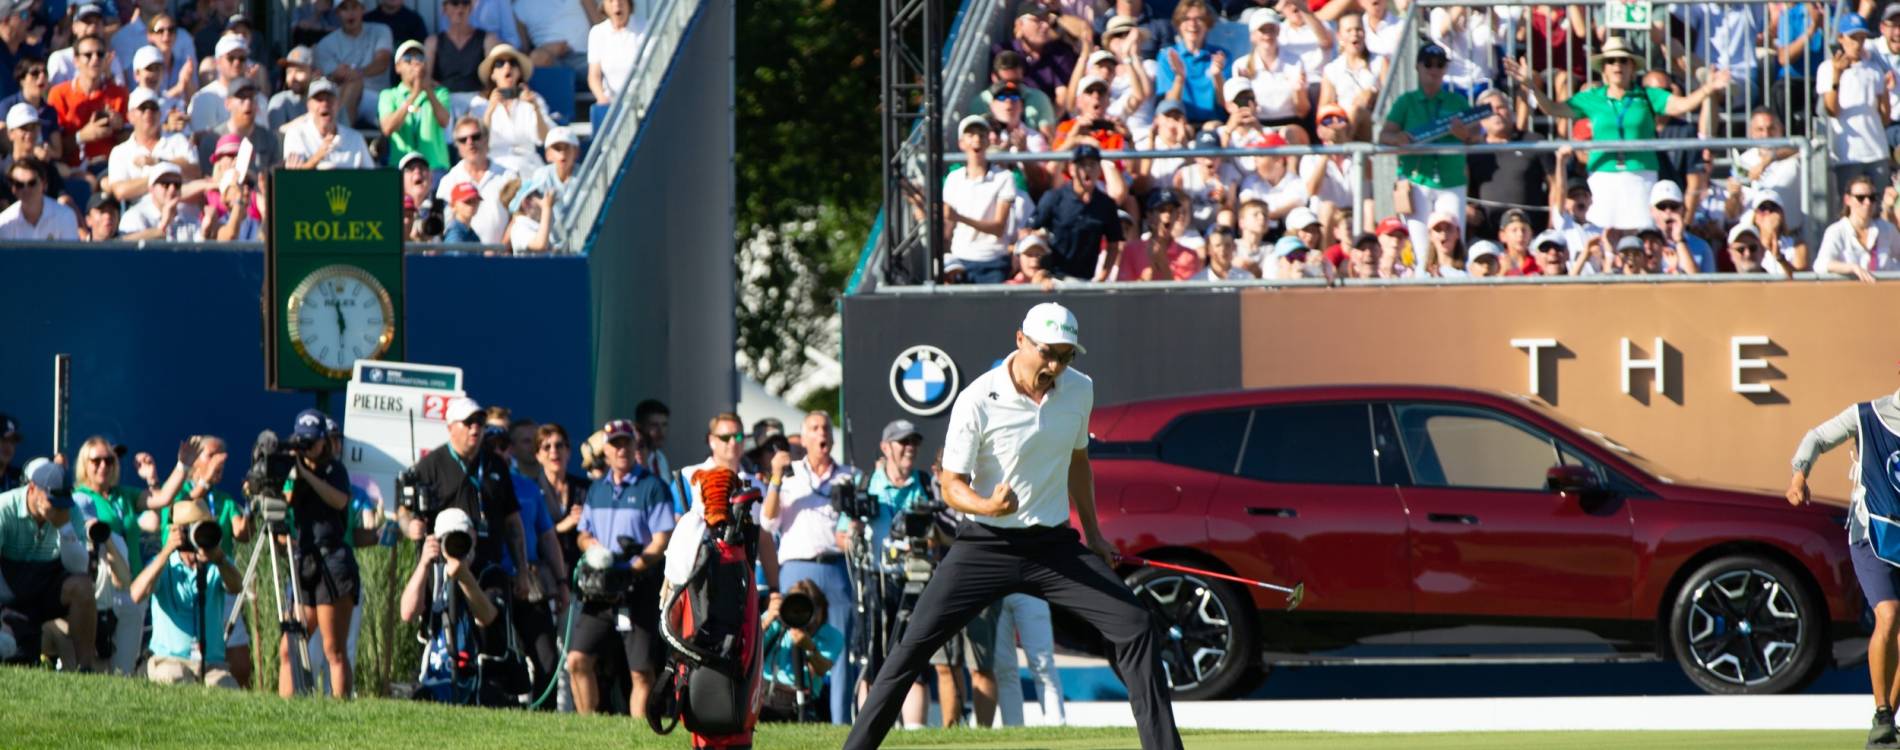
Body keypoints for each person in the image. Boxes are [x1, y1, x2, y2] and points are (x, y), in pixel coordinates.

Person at [843, 303, 1181, 750]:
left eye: (1066, 356)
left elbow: (1078, 462)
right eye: (1048, 353)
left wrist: (1094, 534)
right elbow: (951, 484)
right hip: (985, 545)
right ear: (1020, 340)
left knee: (1135, 623)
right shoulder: (977, 398)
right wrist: (987, 505)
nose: (1055, 366)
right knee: (912, 647)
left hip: (1054, 546)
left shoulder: (1080, 389)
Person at [1504, 35, 1730, 236]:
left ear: (1632, 66)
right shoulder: (1592, 97)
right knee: (1601, 236)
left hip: (1641, 175)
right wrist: (1532, 86)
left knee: (1643, 234)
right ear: (1603, 68)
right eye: (1611, 60)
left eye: (1623, 60)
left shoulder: (1648, 95)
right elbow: (1553, 108)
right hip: (1603, 176)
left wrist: (1708, 89)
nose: (1617, 65)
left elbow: (1682, 105)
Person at [1787, 381, 1900, 749]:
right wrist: (1800, 475)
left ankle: (1886, 720)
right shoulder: (1868, 415)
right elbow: (1817, 437)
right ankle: (1882, 712)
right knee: (1889, 614)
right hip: (1872, 533)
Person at [568, 419, 675, 717]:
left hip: (637, 587)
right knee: (577, 660)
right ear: (606, 450)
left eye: (626, 443)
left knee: (640, 671)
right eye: (615, 444)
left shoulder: (653, 487)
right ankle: (587, 726)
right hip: (600, 588)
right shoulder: (597, 489)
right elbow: (582, 534)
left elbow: (662, 539)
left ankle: (638, 733)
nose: (621, 449)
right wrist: (592, 548)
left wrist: (633, 568)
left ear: (634, 446)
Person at [764, 410, 859, 723]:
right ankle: (792, 712)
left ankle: (841, 722)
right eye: (815, 428)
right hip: (796, 569)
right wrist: (776, 478)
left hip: (835, 567)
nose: (822, 433)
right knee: (790, 639)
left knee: (839, 646)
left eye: (826, 428)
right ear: (803, 439)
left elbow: (857, 522)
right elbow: (768, 520)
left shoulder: (850, 476)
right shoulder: (789, 476)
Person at [274, 410, 357, 699]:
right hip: (304, 560)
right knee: (289, 647)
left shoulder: (335, 470)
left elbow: (339, 500)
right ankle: (284, 707)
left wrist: (306, 473)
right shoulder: (293, 472)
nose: (308, 447)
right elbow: (283, 502)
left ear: (324, 441)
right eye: (303, 441)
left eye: (312, 441)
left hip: (332, 561)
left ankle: (340, 708)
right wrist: (282, 473)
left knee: (333, 648)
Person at [1380, 42, 1480, 258]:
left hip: (1451, 179)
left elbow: (1477, 134)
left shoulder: (1457, 101)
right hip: (1416, 180)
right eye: (1428, 64)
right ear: (1418, 67)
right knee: (1419, 247)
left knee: (1453, 245)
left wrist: (1464, 135)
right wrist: (1398, 138)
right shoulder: (1406, 102)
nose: (1434, 70)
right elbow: (1384, 135)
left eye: (1440, 65)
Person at [130, 498, 243, 687]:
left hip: (211, 665)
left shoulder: (216, 564)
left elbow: (237, 587)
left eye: (201, 528)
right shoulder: (165, 565)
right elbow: (136, 595)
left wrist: (219, 558)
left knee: (226, 686)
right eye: (189, 529)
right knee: (175, 676)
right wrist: (167, 550)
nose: (195, 536)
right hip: (168, 660)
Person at [0, 458, 98, 670]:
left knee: (83, 587)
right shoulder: (4, 508)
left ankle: (86, 669)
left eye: (62, 502)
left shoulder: (69, 512)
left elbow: (79, 569)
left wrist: (64, 528)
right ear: (32, 488)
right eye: (52, 500)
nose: (57, 508)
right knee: (16, 657)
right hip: (7, 595)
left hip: (46, 589)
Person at [1819, 12, 1894, 199]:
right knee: (1851, 205)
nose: (1858, 44)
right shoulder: (1827, 68)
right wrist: (1837, 75)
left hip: (1877, 150)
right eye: (1853, 38)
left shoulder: (1875, 69)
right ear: (1841, 38)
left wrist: (1885, 91)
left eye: (1862, 38)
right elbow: (1832, 110)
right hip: (1847, 154)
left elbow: (1885, 117)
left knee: (1879, 204)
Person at [1032, 145, 1123, 282]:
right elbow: (1029, 232)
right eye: (1082, 164)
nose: (1087, 169)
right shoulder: (1054, 198)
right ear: (1071, 169)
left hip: (1085, 281)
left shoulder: (1106, 204)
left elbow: (1114, 244)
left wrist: (1102, 277)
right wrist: (1040, 273)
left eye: (1092, 164)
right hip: (1054, 280)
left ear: (1099, 169)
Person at [945, 114, 1018, 284]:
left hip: (993, 262)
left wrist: (959, 217)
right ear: (961, 143)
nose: (976, 139)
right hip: (959, 260)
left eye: (981, 135)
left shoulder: (1005, 177)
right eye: (971, 135)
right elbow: (947, 227)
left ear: (987, 141)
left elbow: (998, 228)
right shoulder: (953, 178)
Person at [760, 579, 845, 721]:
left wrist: (810, 648)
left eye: (809, 608)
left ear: (823, 608)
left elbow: (822, 669)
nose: (801, 614)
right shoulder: (776, 620)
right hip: (765, 692)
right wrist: (767, 621)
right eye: (795, 608)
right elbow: (749, 648)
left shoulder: (831, 635)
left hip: (802, 698)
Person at [48, 33, 129, 170]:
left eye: (100, 54)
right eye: (88, 55)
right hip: (71, 170)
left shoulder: (119, 93)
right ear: (76, 61)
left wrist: (119, 128)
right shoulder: (59, 94)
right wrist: (82, 136)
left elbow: (133, 143)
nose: (95, 59)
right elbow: (54, 148)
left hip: (111, 168)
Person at [105, 86, 199, 204]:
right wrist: (160, 177)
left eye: (153, 108)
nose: (148, 112)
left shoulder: (178, 140)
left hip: (181, 207)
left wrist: (157, 161)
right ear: (130, 116)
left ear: (159, 114)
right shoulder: (120, 152)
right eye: (143, 108)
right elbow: (120, 191)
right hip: (143, 212)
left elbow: (195, 171)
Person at [314, 0, 394, 126]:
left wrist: (357, 73)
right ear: (337, 13)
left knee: (354, 83)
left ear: (363, 9)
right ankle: (340, 129)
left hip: (378, 98)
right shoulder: (325, 44)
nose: (350, 13)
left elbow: (382, 62)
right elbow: (327, 79)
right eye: (344, 8)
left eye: (354, 7)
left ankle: (339, 131)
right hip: (340, 97)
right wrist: (337, 75)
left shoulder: (381, 31)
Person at [435, 115, 513, 241]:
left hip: (501, 252)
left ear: (486, 139)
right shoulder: (448, 181)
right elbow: (447, 225)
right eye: (463, 139)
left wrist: (502, 248)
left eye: (475, 137)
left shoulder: (508, 176)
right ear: (457, 146)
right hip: (462, 252)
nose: (470, 142)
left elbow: (517, 217)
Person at [477, 44, 551, 174]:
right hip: (495, 166)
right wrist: (490, 110)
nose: (507, 66)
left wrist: (535, 108)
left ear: (519, 72)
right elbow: (477, 142)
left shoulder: (534, 99)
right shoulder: (480, 103)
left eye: (513, 62)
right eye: (500, 64)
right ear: (492, 74)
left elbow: (545, 138)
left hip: (529, 165)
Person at [378, 39, 451, 170]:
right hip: (401, 167)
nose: (415, 63)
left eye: (419, 58)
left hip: (434, 166)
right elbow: (387, 128)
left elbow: (444, 121)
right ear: (397, 67)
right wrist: (414, 95)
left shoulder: (440, 93)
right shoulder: (388, 95)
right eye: (408, 59)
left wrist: (427, 89)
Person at [1153, 0, 1228, 125]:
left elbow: (1226, 103)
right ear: (1178, 24)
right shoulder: (1167, 56)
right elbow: (1168, 106)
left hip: (1214, 122)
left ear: (1208, 24)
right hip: (1180, 123)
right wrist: (1180, 77)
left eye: (1199, 19)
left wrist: (1217, 76)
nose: (1192, 24)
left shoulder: (1220, 56)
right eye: (1186, 19)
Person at [1815, 175, 1899, 283]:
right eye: (1860, 198)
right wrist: (1852, 268)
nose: (1867, 202)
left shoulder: (1887, 229)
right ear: (1847, 200)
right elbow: (1821, 264)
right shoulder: (1836, 231)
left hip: (1883, 291)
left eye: (1872, 197)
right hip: (1849, 291)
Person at [282, 78, 375, 169]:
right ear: (309, 105)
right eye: (319, 100)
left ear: (338, 104)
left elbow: (371, 175)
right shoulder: (296, 134)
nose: (325, 104)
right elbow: (294, 176)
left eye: (329, 99)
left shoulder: (355, 138)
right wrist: (317, 157)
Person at [1318, 12, 1384, 138]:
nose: (1354, 34)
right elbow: (1324, 109)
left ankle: (1342, 144)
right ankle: (1341, 140)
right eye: (1348, 30)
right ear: (1339, 36)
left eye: (1358, 29)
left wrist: (1374, 93)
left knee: (1356, 111)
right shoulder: (1332, 69)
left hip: (1373, 124)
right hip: (1342, 121)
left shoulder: (1379, 62)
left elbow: (1393, 95)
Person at [995, 10, 1078, 105]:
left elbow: (1062, 96)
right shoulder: (1003, 51)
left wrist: (1047, 114)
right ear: (1020, 24)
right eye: (1037, 20)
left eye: (1047, 20)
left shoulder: (1059, 52)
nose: (1046, 25)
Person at [187, 34, 265, 135]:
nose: (237, 63)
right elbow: (202, 139)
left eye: (242, 58)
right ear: (218, 62)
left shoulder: (259, 99)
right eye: (231, 58)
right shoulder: (202, 98)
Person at [0, 158, 80, 240]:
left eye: (32, 183)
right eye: (19, 184)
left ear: (44, 184)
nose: (26, 189)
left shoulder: (65, 216)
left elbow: (70, 248)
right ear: (13, 188)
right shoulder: (4, 222)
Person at [587, 0, 643, 104]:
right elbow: (594, 76)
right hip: (611, 104)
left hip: (642, 102)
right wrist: (602, 98)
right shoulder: (597, 32)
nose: (616, 4)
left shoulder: (646, 28)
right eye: (611, 1)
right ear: (604, 5)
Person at [518, 0, 594, 72]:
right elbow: (525, 51)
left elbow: (597, 23)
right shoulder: (519, 6)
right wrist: (549, 50)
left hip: (585, 56)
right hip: (548, 63)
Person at [267, 47, 316, 133]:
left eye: (299, 71)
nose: (292, 77)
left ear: (314, 73)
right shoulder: (280, 100)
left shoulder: (326, 99)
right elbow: (274, 135)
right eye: (289, 72)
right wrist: (307, 120)